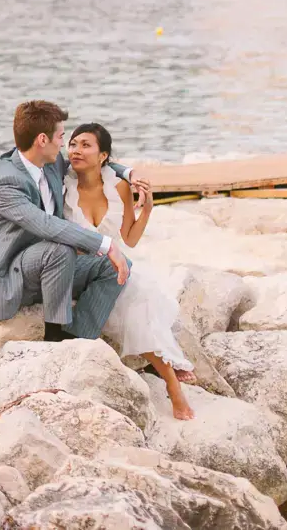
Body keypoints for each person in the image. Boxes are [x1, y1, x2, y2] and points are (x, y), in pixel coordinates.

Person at [64, 122, 197, 420]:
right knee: (134, 302)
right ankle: (172, 376)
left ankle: (173, 386)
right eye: (73, 143)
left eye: (86, 145)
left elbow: (130, 239)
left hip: (116, 268)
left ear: (103, 156)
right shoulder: (63, 182)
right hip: (78, 270)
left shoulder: (120, 187)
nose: (76, 150)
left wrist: (146, 209)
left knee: (137, 301)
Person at [0, 101, 132, 343]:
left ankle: (78, 338)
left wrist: (129, 174)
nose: (64, 145)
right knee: (61, 248)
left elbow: (92, 163)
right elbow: (46, 225)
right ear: (42, 140)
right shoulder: (6, 182)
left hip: (52, 271)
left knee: (114, 267)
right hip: (13, 278)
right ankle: (54, 336)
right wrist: (106, 244)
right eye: (61, 137)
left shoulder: (50, 163)